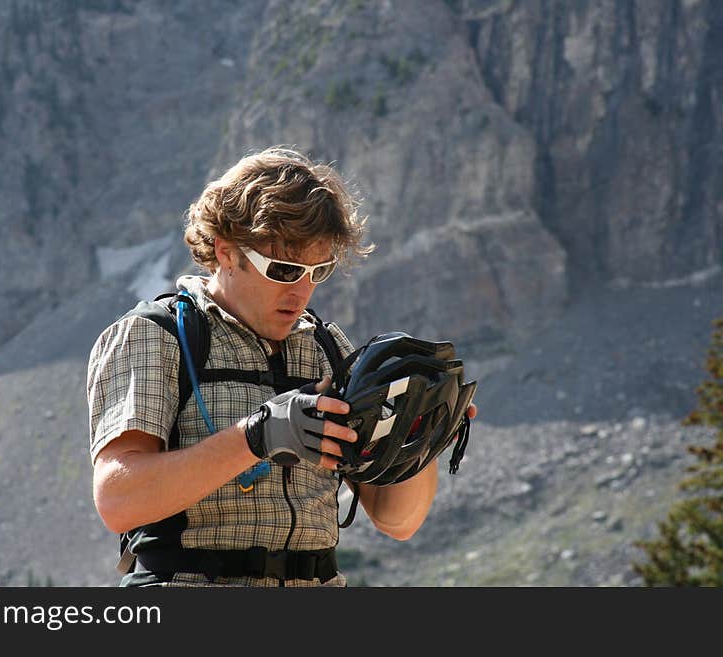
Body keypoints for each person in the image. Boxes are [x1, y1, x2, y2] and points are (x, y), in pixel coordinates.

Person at [86, 146, 477, 586]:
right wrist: (257, 436)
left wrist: (421, 436)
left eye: (319, 271)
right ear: (227, 251)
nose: (304, 291)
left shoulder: (327, 348)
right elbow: (118, 500)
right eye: (286, 271)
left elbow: (397, 520)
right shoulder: (157, 335)